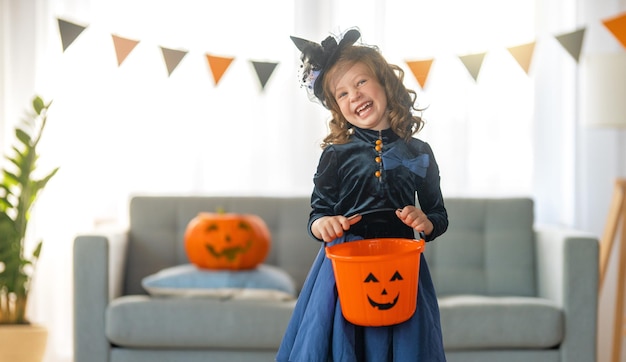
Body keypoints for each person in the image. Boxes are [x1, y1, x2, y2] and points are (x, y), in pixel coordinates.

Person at [276, 28, 448, 361]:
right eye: (341, 94)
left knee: (404, 345)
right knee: (341, 346)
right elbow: (318, 213)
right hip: (344, 270)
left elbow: (438, 216)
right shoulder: (336, 154)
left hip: (401, 267)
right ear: (337, 108)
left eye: (360, 83)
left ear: (385, 82)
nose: (353, 96)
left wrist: (425, 221)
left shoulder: (419, 152)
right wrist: (324, 224)